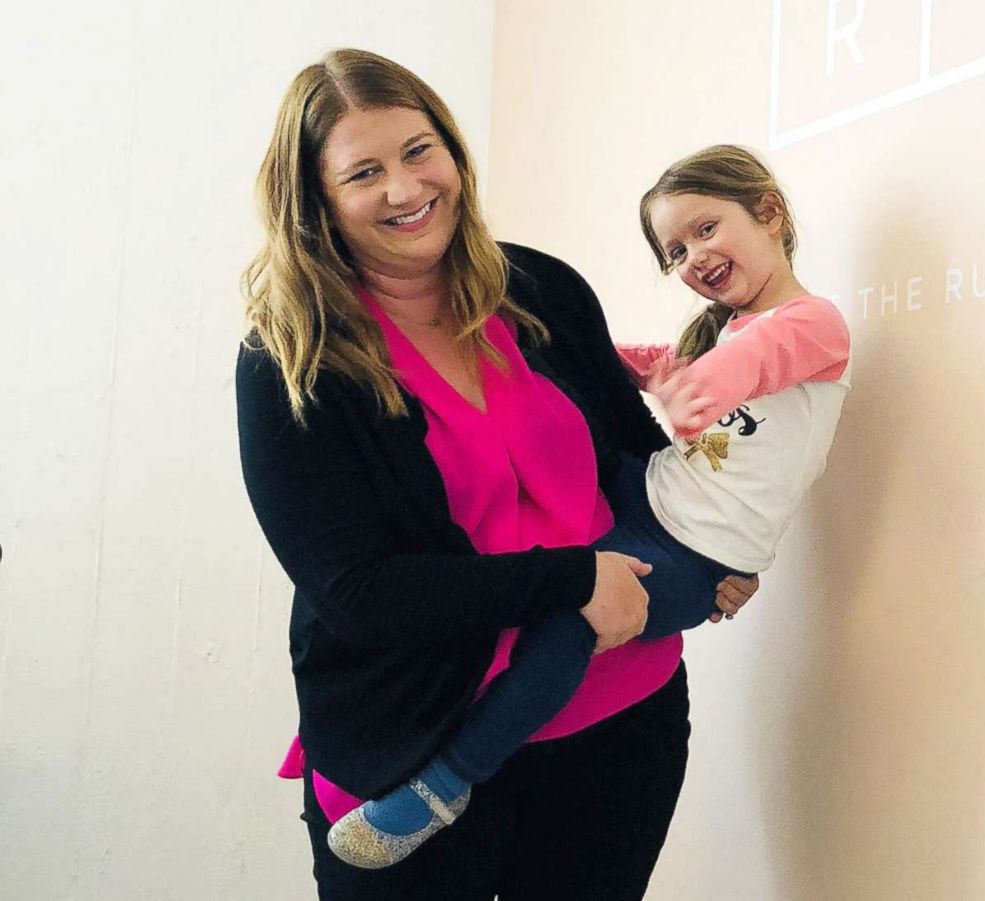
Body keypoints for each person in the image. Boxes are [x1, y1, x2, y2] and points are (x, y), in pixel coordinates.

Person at [235, 49, 758, 900]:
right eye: (364, 172)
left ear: (452, 151)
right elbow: (358, 589)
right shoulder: (290, 362)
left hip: (618, 719)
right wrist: (571, 576)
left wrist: (727, 539)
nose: (404, 189)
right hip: (416, 745)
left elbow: (634, 458)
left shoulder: (542, 288)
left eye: (417, 151)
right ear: (316, 201)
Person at [327, 145, 852, 869]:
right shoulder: (729, 327)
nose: (692, 256)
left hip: (692, 553)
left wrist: (684, 395)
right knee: (557, 487)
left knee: (574, 617)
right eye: (675, 250)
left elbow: (725, 379)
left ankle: (442, 784)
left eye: (705, 229)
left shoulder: (812, 323)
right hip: (652, 494)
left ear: (769, 210)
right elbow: (645, 367)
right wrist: (562, 344)